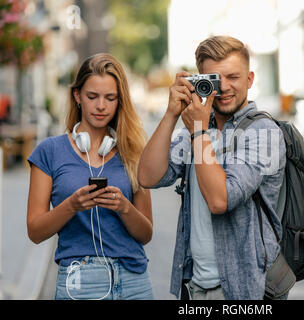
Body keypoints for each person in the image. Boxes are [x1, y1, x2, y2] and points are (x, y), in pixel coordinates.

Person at [138, 35, 286, 300]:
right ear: (201, 82)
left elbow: (220, 200)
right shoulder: (198, 128)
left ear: (250, 80)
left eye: (234, 77)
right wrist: (171, 113)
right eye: (215, 80)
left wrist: (197, 130)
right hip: (194, 285)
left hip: (244, 288)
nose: (225, 87)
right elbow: (148, 176)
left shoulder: (263, 132)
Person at [27, 53, 154, 300]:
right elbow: (35, 232)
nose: (101, 106)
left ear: (120, 101)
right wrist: (72, 206)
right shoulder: (49, 152)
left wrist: (124, 207)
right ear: (77, 96)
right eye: (92, 96)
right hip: (79, 283)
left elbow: (146, 234)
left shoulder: (133, 152)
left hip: (134, 281)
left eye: (110, 98)